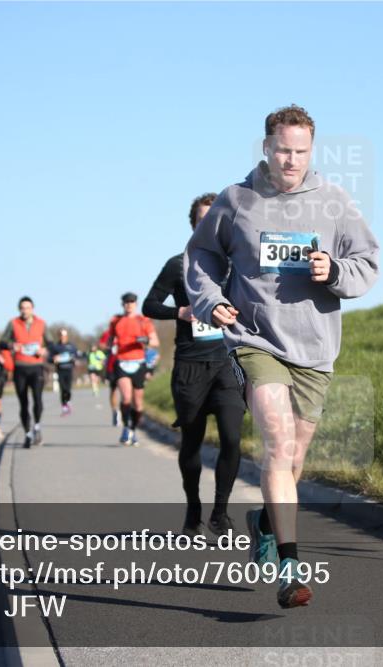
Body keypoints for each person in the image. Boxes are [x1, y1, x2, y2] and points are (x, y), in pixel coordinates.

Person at [184, 105, 379, 608]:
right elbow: (202, 257)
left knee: (294, 456)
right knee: (276, 438)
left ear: (311, 150)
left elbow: (367, 262)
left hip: (314, 345)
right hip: (256, 338)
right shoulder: (237, 200)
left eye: (301, 151)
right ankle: (290, 568)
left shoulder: (334, 201)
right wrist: (213, 302)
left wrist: (332, 270)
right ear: (266, 146)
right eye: (282, 149)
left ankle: (265, 521)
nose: (291, 160)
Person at [143, 193, 245, 538]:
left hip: (228, 365)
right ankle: (193, 511)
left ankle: (220, 512)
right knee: (191, 442)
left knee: (232, 439)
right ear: (193, 226)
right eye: (202, 220)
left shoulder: (239, 264)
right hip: (189, 366)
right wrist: (180, 312)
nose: (209, 225)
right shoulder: (178, 265)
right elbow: (149, 304)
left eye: (215, 219)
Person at [99, 293, 159, 445]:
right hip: (122, 362)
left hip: (139, 362)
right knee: (126, 397)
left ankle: (133, 429)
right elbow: (109, 341)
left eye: (131, 302)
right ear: (122, 304)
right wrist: (109, 347)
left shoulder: (143, 320)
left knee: (138, 403)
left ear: (136, 304)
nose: (129, 304)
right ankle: (126, 428)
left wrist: (145, 340)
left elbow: (155, 342)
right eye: (126, 302)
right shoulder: (116, 320)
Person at [0, 296, 53, 448]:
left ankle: (37, 426)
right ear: (19, 310)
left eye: (28, 308)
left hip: (36, 367)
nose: (25, 311)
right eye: (22, 308)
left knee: (37, 399)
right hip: (20, 367)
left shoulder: (41, 323)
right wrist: (11, 345)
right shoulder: (13, 323)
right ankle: (27, 433)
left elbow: (51, 344)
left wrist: (45, 350)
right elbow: (2, 342)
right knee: (23, 403)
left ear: (32, 309)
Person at [48, 328, 84, 416]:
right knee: (62, 388)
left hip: (69, 369)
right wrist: (53, 359)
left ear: (67, 336)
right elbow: (49, 359)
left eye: (64, 335)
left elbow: (78, 356)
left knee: (68, 389)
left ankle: (68, 401)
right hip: (60, 370)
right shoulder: (56, 347)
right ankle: (64, 406)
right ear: (59, 336)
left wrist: (76, 361)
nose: (63, 337)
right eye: (61, 335)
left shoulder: (72, 346)